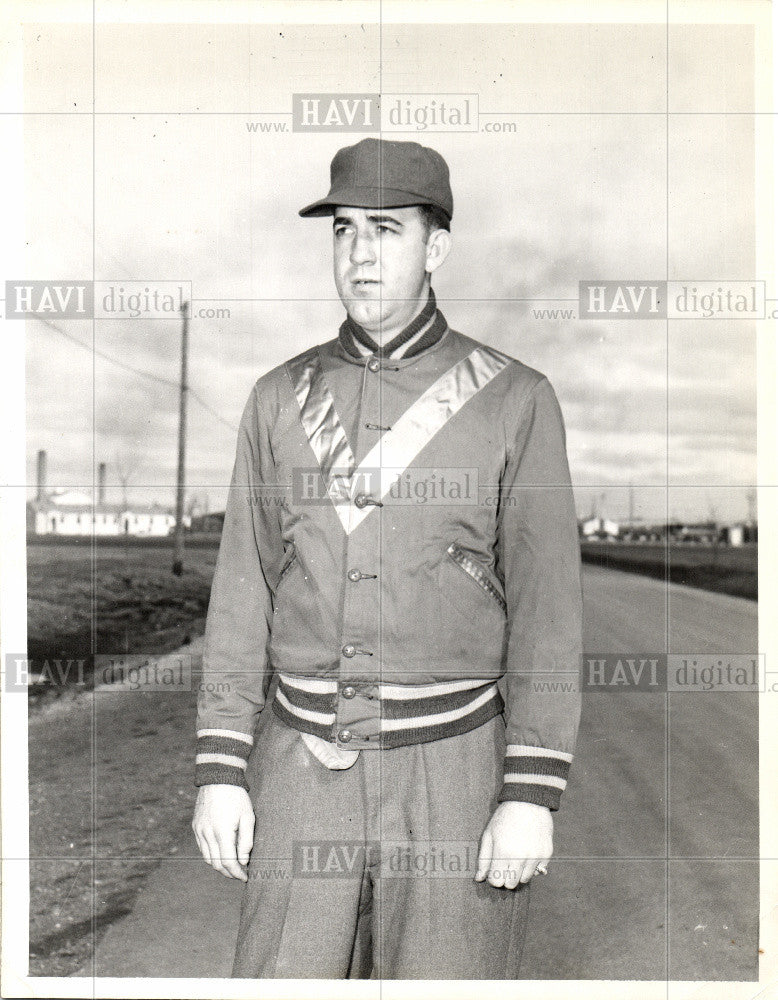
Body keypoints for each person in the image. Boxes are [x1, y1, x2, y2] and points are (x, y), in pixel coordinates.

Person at [192, 137, 583, 980]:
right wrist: (220, 767)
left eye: (385, 229)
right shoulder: (275, 397)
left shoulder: (516, 398)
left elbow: (549, 615)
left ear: (436, 246)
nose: (358, 254)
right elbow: (241, 591)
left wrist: (529, 793)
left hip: (453, 771)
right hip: (301, 768)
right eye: (341, 230)